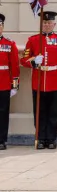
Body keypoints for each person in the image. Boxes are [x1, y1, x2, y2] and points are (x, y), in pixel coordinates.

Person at [20, 11, 57, 149]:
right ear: (41, 24)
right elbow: (24, 60)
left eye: (49, 23)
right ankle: (40, 138)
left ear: (54, 24)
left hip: (55, 80)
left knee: (53, 112)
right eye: (44, 23)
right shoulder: (33, 40)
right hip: (38, 80)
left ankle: (51, 139)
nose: (47, 25)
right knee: (39, 112)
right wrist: (33, 61)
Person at [0, 13, 19, 150]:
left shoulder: (9, 44)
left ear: (3, 27)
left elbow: (15, 66)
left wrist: (14, 85)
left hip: (3, 83)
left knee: (2, 113)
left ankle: (1, 140)